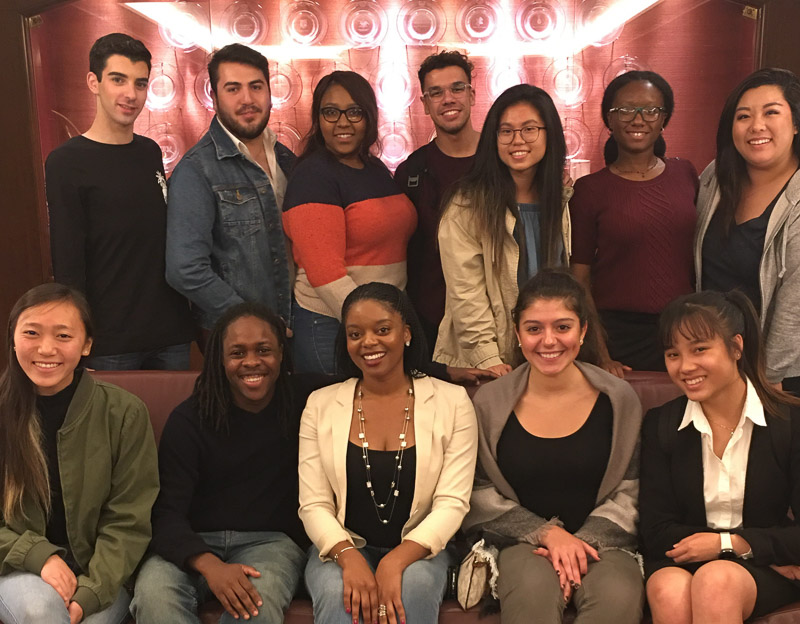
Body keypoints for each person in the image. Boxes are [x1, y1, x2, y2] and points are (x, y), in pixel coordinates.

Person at [462, 269, 644, 624]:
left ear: (583, 331)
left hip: (605, 543)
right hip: (519, 543)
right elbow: (479, 492)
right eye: (534, 329)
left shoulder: (619, 399)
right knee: (532, 597)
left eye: (562, 327)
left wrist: (577, 546)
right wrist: (551, 535)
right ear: (517, 333)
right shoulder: (490, 402)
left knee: (616, 599)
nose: (549, 341)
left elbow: (630, 491)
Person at [298, 283, 477, 624]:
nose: (368, 342)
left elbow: (453, 502)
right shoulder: (320, 405)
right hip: (342, 546)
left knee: (415, 587)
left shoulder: (452, 402)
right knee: (341, 596)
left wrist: (396, 561)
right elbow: (314, 504)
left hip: (421, 550)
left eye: (382, 330)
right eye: (355, 333)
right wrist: (348, 557)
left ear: (406, 333)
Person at [131, 302, 318, 623]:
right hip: (192, 542)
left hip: (272, 542)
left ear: (282, 353)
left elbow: (372, 375)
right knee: (153, 595)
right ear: (220, 358)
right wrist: (208, 564)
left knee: (254, 605)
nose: (252, 362)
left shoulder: (309, 402)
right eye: (237, 353)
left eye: (264, 350)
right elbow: (165, 513)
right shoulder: (189, 419)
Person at [0, 283, 159, 623]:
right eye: (31, 332)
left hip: (101, 575)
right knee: (39, 610)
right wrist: (39, 556)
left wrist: (90, 593)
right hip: (15, 567)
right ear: (12, 338)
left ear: (87, 344)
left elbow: (128, 522)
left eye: (63, 336)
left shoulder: (124, 413)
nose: (46, 348)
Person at [639, 290, 800, 623]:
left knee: (717, 581)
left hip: (759, 563)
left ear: (736, 346)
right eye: (673, 354)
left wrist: (731, 545)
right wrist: (721, 546)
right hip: (681, 560)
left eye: (700, 349)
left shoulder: (790, 422)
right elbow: (655, 530)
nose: (685, 367)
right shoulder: (660, 424)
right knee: (669, 590)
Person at [45, 33, 193, 370]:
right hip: (109, 342)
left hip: (170, 334)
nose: (131, 94)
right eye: (118, 80)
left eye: (140, 83)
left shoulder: (150, 152)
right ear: (93, 82)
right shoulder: (66, 162)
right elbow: (68, 264)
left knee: (174, 423)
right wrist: (76, 338)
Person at [282, 72, 417, 375]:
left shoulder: (374, 168)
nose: (343, 122)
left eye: (354, 112)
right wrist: (375, 328)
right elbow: (326, 275)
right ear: (318, 119)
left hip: (374, 323)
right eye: (331, 112)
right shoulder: (313, 176)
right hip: (333, 328)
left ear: (369, 116)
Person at [435, 84, 572, 376]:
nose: (517, 140)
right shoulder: (468, 205)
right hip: (493, 361)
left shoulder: (562, 200)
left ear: (550, 134)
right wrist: (488, 357)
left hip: (552, 353)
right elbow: (465, 293)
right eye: (506, 131)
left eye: (529, 129)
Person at [570, 70, 698, 376]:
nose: (638, 119)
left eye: (651, 110)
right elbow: (580, 280)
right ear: (609, 119)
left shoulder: (686, 174)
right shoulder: (589, 190)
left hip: (684, 329)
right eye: (625, 110)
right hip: (617, 336)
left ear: (664, 119)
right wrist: (600, 354)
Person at [166, 44, 295, 336]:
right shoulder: (196, 170)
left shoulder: (287, 159)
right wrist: (252, 322)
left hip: (293, 328)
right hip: (234, 338)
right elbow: (184, 270)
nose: (247, 99)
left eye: (256, 87)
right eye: (233, 89)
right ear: (214, 96)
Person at [695, 68, 800, 395]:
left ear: (796, 124)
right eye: (744, 116)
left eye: (771, 112)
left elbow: (794, 306)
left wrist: (766, 381)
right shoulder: (715, 178)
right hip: (711, 361)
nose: (757, 126)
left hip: (775, 378)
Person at [394, 50, 481, 348]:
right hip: (430, 322)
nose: (448, 99)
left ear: (472, 94)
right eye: (436, 92)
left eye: (457, 88)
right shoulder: (411, 172)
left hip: (498, 317)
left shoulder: (503, 160)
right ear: (425, 104)